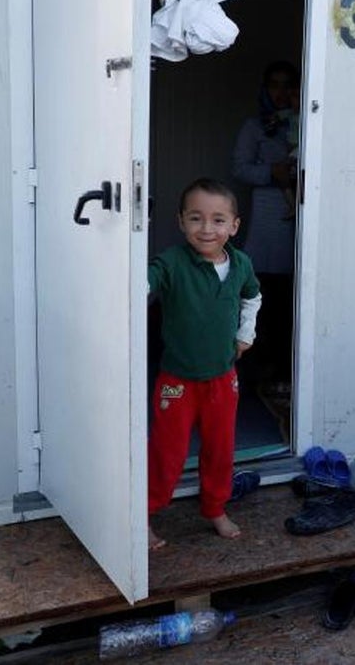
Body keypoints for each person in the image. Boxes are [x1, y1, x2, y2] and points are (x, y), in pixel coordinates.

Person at [148, 178, 262, 550]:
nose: (207, 228)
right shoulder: (171, 262)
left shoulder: (241, 264)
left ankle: (215, 507)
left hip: (222, 378)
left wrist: (246, 334)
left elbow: (253, 296)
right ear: (181, 222)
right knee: (167, 452)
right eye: (196, 218)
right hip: (177, 381)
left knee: (220, 448)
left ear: (234, 226)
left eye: (218, 220)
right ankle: (144, 512)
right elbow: (141, 283)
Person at [231, 61, 299, 387]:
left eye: (288, 85)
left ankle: (287, 371)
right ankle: (260, 370)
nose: (281, 92)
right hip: (266, 215)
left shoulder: (306, 120)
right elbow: (239, 168)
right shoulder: (254, 126)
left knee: (292, 295)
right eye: (274, 85)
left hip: (301, 213)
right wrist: (272, 172)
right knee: (261, 292)